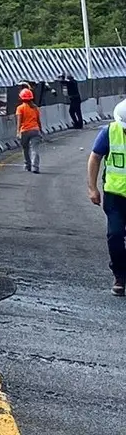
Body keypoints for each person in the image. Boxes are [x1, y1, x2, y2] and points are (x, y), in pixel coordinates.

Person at [87, 100, 126, 296]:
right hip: (115, 196)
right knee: (115, 235)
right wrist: (92, 188)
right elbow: (95, 157)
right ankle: (119, 275)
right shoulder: (109, 132)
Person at [16, 87, 42, 174]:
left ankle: (28, 165)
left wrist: (18, 132)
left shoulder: (20, 108)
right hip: (35, 130)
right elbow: (38, 121)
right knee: (35, 149)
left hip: (25, 131)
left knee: (25, 149)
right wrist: (40, 130)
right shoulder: (35, 108)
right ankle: (35, 167)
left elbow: (19, 121)